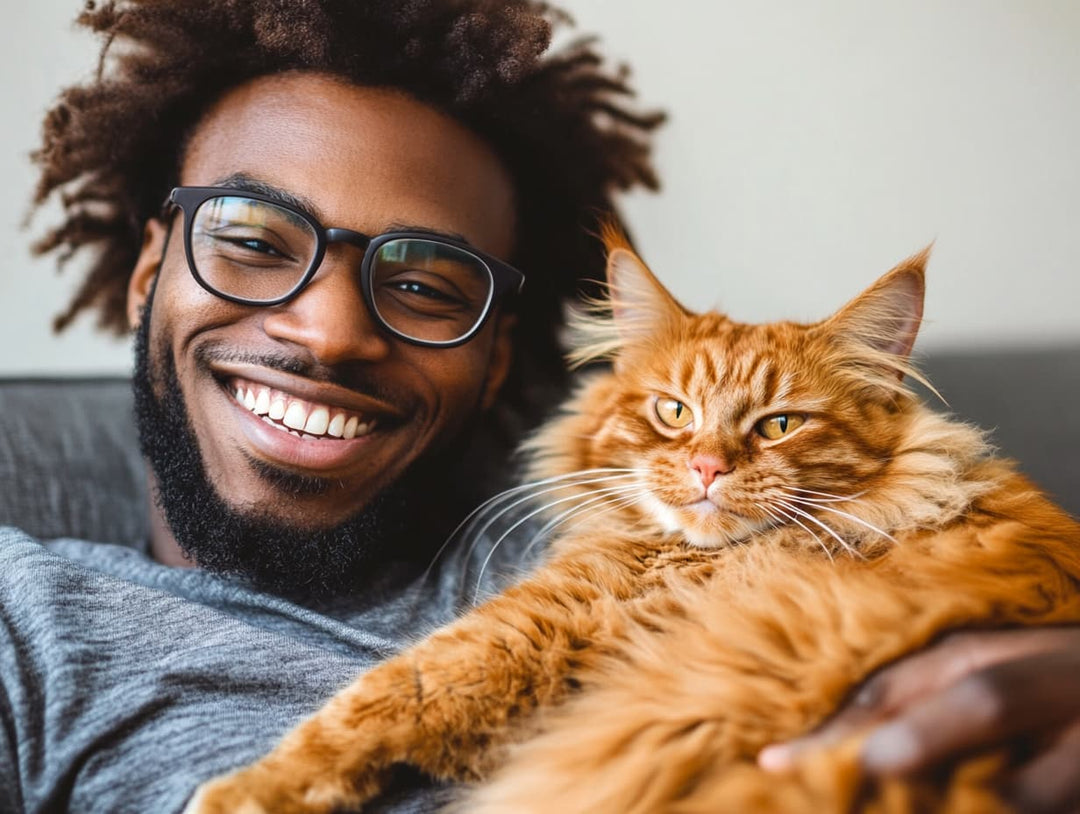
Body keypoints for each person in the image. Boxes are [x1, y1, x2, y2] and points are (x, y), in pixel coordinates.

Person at [0, 1, 1076, 812]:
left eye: (424, 284)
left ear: (499, 348)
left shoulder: (599, 520)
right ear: (151, 270)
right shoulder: (31, 627)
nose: (326, 332)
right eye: (252, 239)